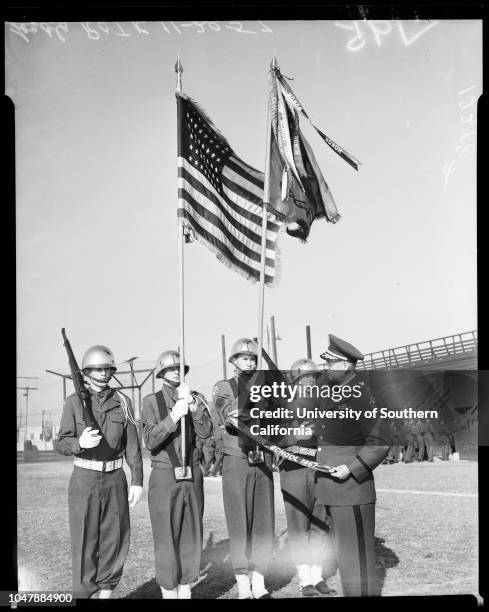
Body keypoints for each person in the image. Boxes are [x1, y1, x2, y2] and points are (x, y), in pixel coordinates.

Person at [55, 345, 143, 599]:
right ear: (86, 372)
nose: (103, 374)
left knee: (115, 539)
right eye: (97, 369)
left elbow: (133, 446)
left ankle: (106, 593)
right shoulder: (73, 402)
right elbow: (60, 441)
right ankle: (83, 594)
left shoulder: (122, 402)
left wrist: (137, 480)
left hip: (115, 478)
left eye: (107, 369)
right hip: (85, 478)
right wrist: (79, 443)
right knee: (84, 540)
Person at [315, 334, 390, 597]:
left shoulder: (359, 395)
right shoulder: (332, 393)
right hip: (335, 492)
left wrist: (351, 468)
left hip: (352, 491)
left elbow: (380, 442)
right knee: (348, 562)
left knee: (356, 562)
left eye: (331, 362)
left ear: (346, 365)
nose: (326, 366)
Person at [142, 350, 212, 599]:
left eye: (180, 368)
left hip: (192, 473)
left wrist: (192, 406)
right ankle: (168, 590)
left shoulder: (196, 397)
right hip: (164, 475)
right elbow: (149, 440)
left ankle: (186, 588)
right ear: (161, 372)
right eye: (170, 368)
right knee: (166, 535)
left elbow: (205, 433)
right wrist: (173, 416)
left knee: (192, 532)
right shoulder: (151, 401)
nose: (175, 371)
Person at [212, 338, 275, 599]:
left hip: (263, 460)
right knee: (239, 521)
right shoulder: (223, 387)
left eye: (252, 358)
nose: (249, 361)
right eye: (244, 358)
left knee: (264, 521)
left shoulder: (266, 387)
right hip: (237, 459)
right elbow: (229, 415)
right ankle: (242, 582)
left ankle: (259, 580)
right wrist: (250, 393)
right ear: (234, 362)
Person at [277, 358, 336, 597]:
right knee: (298, 526)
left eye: (314, 377)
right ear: (296, 381)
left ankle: (318, 576)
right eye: (306, 378)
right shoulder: (283, 406)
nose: (311, 381)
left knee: (321, 525)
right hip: (294, 469)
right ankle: (305, 580)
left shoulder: (325, 405)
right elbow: (270, 440)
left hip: (320, 468)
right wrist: (294, 436)